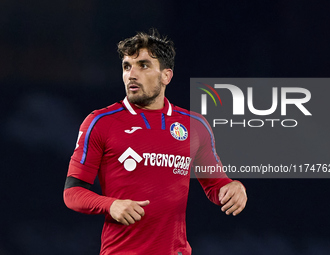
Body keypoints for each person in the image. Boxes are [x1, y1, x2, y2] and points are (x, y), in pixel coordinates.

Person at [63, 29, 247, 255]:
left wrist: (233, 187)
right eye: (127, 66)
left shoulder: (195, 125)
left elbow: (216, 185)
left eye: (143, 65)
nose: (132, 74)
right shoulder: (100, 122)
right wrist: (110, 205)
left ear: (166, 76)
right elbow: (72, 193)